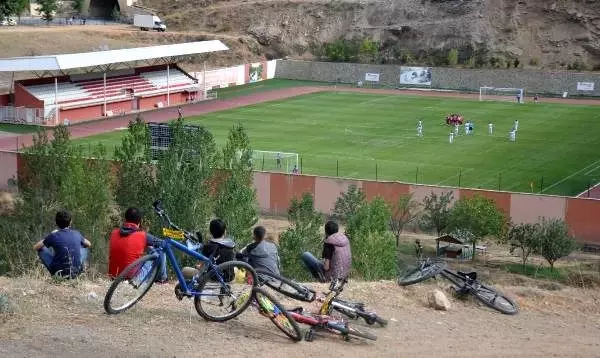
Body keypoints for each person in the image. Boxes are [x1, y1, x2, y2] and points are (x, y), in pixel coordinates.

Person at [108, 207, 168, 283]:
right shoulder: (143, 235)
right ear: (139, 222)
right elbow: (163, 244)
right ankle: (162, 279)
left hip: (114, 277)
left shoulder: (114, 233)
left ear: (125, 219)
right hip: (134, 278)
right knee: (160, 250)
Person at [33, 210, 91, 279]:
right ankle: (78, 269)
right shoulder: (76, 233)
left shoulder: (54, 235)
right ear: (70, 222)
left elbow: (36, 247)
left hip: (58, 274)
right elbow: (89, 244)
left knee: (41, 249)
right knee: (85, 247)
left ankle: (57, 269)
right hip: (75, 272)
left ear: (56, 223)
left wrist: (51, 234)